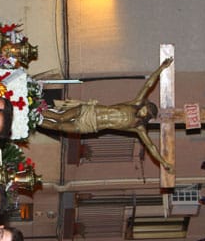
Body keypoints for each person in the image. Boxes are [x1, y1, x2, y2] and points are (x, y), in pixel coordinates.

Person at [39, 57, 175, 171]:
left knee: (59, 127)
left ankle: (35, 121)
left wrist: (164, 163)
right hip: (90, 110)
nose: (143, 109)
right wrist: (161, 68)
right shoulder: (135, 103)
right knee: (61, 116)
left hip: (91, 126)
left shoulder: (138, 127)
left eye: (146, 111)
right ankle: (35, 111)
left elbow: (151, 146)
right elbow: (148, 85)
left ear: (146, 117)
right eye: (146, 107)